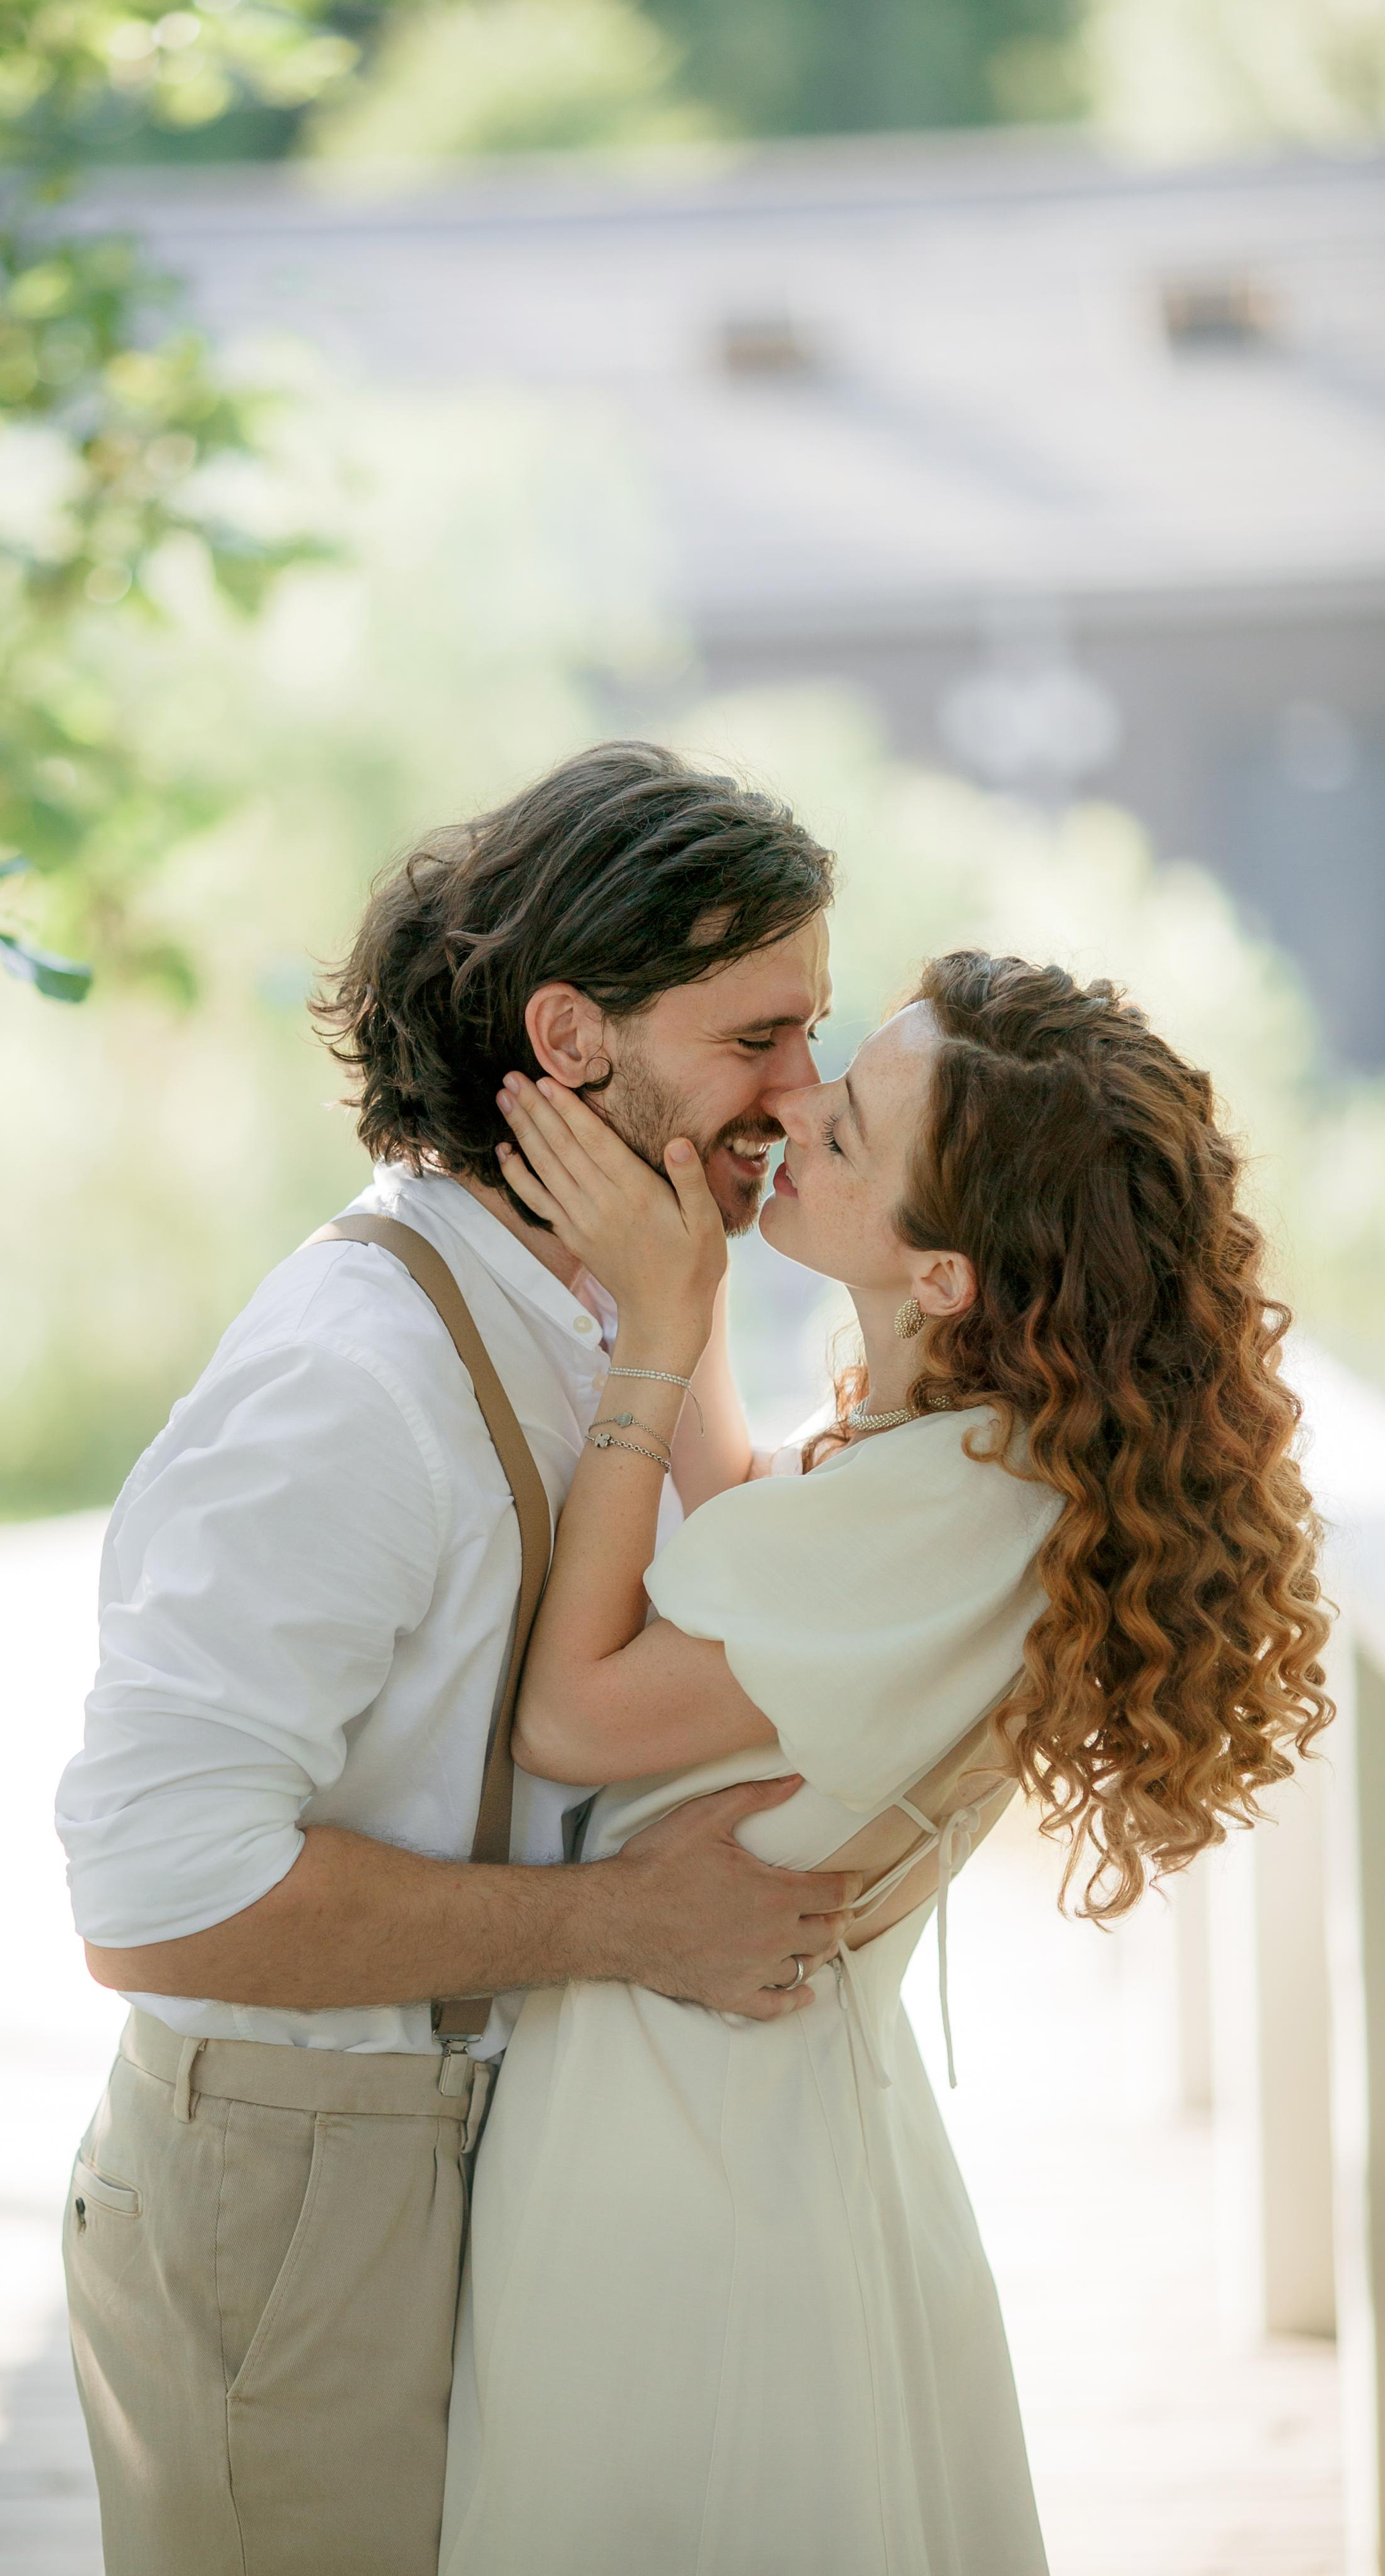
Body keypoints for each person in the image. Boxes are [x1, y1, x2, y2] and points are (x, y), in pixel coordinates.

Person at [54, 740, 866, 2576]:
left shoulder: (596, 1322)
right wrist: (624, 1925)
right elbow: (154, 1895)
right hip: (305, 2187)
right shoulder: (357, 1378)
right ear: (570, 1038)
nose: (801, 1093)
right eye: (759, 1036)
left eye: (812, 1036)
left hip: (485, 2160)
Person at [442, 948, 1333, 2575]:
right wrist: (679, 1273)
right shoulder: (968, 1463)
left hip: (688, 2154)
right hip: (762, 2126)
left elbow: (571, 1718)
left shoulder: (944, 1508)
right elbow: (746, 1531)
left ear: (941, 1277)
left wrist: (651, 1336)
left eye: (844, 1127)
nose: (791, 1104)